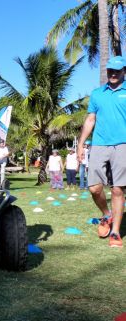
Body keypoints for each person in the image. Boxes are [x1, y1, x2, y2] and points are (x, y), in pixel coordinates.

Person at [77, 56, 126, 248]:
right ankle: (107, 215)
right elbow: (90, 120)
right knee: (94, 188)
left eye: (117, 70)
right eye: (110, 70)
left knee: (117, 189)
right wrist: (81, 144)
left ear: (124, 71)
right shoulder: (97, 93)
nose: (113, 73)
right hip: (99, 144)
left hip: (123, 145)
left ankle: (115, 232)